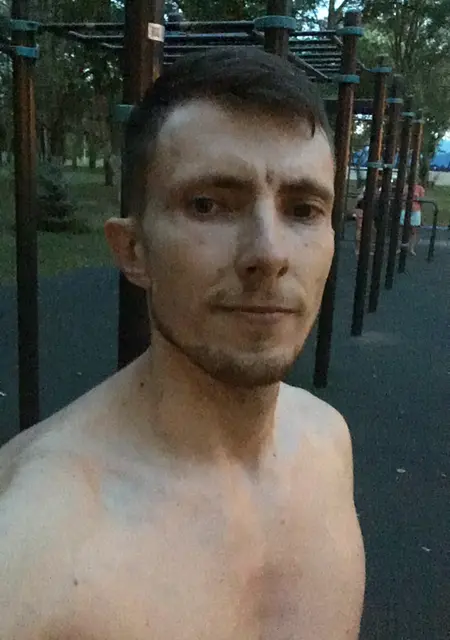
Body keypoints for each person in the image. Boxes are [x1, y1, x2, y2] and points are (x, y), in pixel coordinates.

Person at [0, 47, 365, 639]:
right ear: (133, 251)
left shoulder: (327, 445)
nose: (269, 253)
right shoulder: (34, 544)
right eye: (208, 205)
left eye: (303, 209)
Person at [400, 181, 425, 255]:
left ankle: (411, 249)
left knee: (413, 230)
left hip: (415, 210)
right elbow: (401, 198)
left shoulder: (420, 188)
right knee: (402, 229)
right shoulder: (406, 187)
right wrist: (405, 195)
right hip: (405, 209)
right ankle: (401, 247)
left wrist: (417, 198)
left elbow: (422, 200)